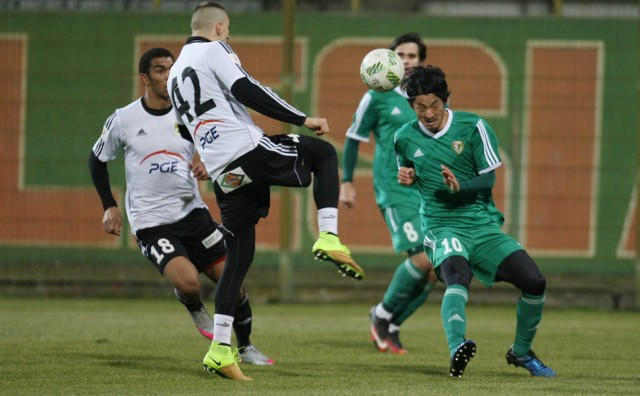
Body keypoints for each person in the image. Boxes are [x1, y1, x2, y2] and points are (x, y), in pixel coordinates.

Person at [168, 2, 364, 381]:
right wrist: (303, 119)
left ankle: (220, 349)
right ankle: (328, 236)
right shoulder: (215, 49)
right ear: (221, 27)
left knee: (237, 258)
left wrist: (205, 155)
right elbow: (247, 88)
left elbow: (182, 127)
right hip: (246, 150)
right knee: (323, 153)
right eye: (230, 30)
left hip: (225, 170)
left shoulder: (176, 71)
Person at [88, 47, 273, 367]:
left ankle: (245, 347)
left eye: (172, 69)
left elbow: (215, 147)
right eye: (160, 71)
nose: (168, 76)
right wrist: (109, 205)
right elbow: (97, 159)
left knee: (234, 283)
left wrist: (206, 164)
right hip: (150, 221)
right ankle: (192, 304)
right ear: (145, 78)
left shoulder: (190, 113)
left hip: (193, 213)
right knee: (189, 282)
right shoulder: (124, 119)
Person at [394, 65, 556, 378]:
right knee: (457, 276)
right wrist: (408, 177)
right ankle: (457, 347)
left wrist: (460, 186)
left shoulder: (472, 126)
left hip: (481, 224)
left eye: (435, 105)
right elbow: (410, 171)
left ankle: (521, 353)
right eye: (420, 107)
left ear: (445, 101)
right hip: (441, 225)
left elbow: (489, 178)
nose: (429, 113)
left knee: (535, 283)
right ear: (411, 106)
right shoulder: (404, 137)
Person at [339, 32, 437, 355]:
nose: (408, 61)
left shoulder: (428, 97)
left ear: (421, 60)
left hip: (425, 191)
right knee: (423, 259)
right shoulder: (377, 96)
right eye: (402, 55)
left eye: (413, 56)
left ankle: (392, 327)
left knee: (439, 269)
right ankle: (381, 316)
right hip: (394, 189)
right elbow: (354, 138)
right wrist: (347, 181)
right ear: (391, 59)